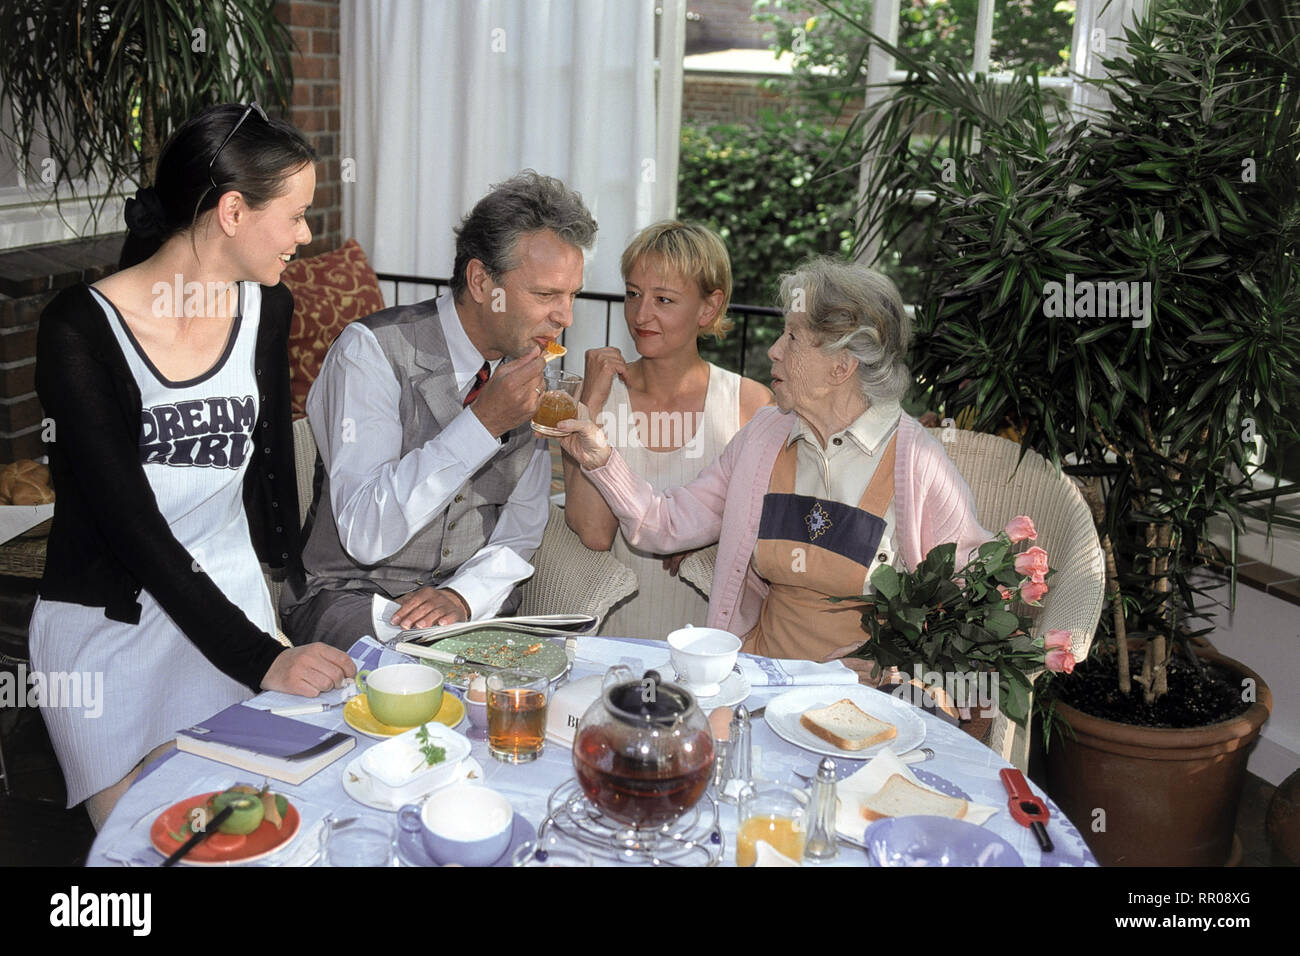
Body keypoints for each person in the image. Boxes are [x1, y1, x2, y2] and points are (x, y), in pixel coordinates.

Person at [31, 103, 356, 829]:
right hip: (111, 637)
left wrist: (285, 616)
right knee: (151, 845)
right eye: (298, 214)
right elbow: (131, 528)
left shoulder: (268, 309)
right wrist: (261, 658)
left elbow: (270, 480)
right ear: (234, 211)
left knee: (256, 836)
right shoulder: (80, 329)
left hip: (229, 608)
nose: (307, 235)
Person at [558, 256, 991, 671]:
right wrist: (601, 458)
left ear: (841, 366)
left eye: (793, 338)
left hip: (864, 706)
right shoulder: (766, 434)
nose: (773, 350)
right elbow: (664, 524)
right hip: (760, 682)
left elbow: (973, 598)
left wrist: (897, 672)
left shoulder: (915, 461)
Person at [278, 170, 597, 648]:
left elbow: (522, 527)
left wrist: (464, 596)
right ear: (480, 280)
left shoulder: (532, 371)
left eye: (572, 294)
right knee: (418, 682)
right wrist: (483, 423)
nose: (565, 316)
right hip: (350, 598)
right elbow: (365, 533)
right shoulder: (369, 352)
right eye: (546, 294)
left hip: (465, 616)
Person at [563, 221, 770, 640]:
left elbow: (772, 538)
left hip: (711, 651)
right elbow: (594, 534)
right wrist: (593, 406)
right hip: (611, 644)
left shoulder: (750, 404)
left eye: (664, 299)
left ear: (709, 308)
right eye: (634, 293)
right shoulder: (600, 394)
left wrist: (711, 535)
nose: (641, 315)